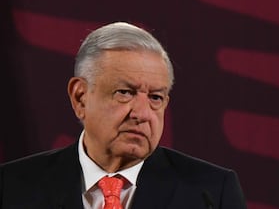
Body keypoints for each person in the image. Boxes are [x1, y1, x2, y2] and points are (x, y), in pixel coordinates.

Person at [0, 22, 247, 208]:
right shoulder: (11, 187)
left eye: (155, 98)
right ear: (80, 97)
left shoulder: (212, 192)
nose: (142, 114)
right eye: (124, 92)